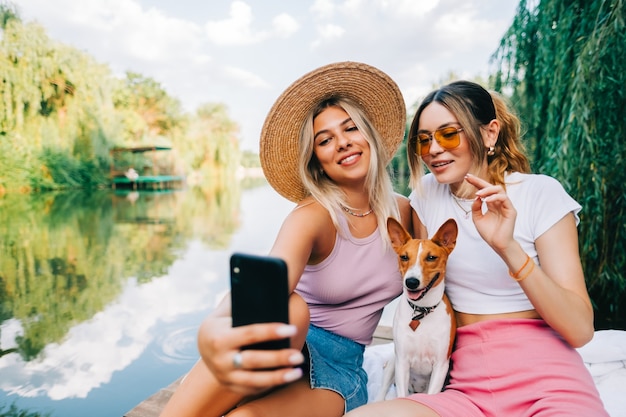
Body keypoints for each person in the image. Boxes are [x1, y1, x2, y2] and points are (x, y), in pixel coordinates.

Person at [159, 61, 415, 417]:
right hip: (281, 343)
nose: (342, 143)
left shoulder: (405, 214)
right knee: (291, 308)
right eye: (325, 140)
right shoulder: (313, 216)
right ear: (317, 162)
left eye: (350, 128)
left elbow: (444, 272)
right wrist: (212, 327)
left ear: (369, 135)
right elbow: (262, 288)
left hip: (340, 369)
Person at [345, 80, 609, 416]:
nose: (434, 150)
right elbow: (404, 266)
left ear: (489, 133)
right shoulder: (427, 195)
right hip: (464, 384)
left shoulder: (541, 194)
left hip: (547, 377)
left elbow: (581, 330)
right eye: (423, 140)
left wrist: (508, 247)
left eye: (448, 134)